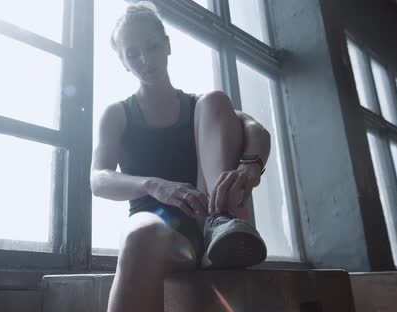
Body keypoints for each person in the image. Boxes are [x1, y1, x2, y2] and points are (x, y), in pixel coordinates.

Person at [90, 2, 271, 312]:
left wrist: (249, 168)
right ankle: (210, 236)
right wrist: (153, 185)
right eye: (133, 53)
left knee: (215, 99)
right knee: (141, 234)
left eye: (152, 46)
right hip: (166, 237)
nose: (145, 60)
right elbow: (99, 179)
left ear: (168, 45)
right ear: (123, 62)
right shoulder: (118, 114)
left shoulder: (201, 106)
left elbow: (255, 129)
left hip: (210, 223)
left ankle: (221, 224)